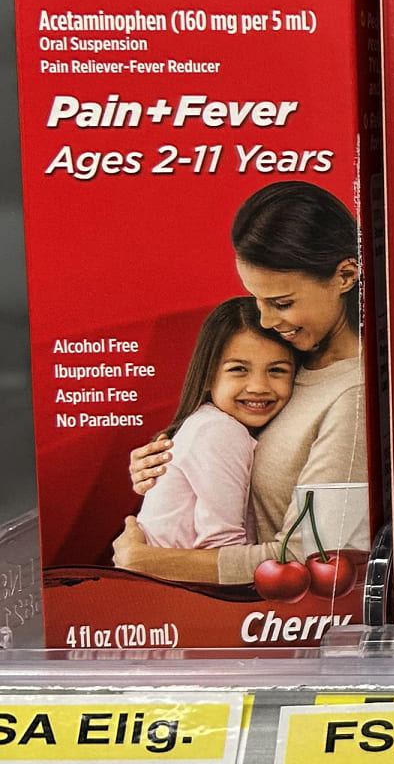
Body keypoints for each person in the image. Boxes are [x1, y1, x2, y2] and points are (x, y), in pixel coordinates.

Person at [114, 181, 368, 585]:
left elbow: (310, 557)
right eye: (257, 299)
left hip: (266, 611)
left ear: (346, 276)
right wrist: (171, 464)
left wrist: (148, 561)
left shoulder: (352, 396)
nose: (266, 320)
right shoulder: (291, 359)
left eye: (282, 303)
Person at [135, 297, 296, 551]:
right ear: (208, 376)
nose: (258, 387)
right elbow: (222, 546)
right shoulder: (219, 431)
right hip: (171, 574)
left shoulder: (214, 425)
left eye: (276, 370)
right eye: (238, 369)